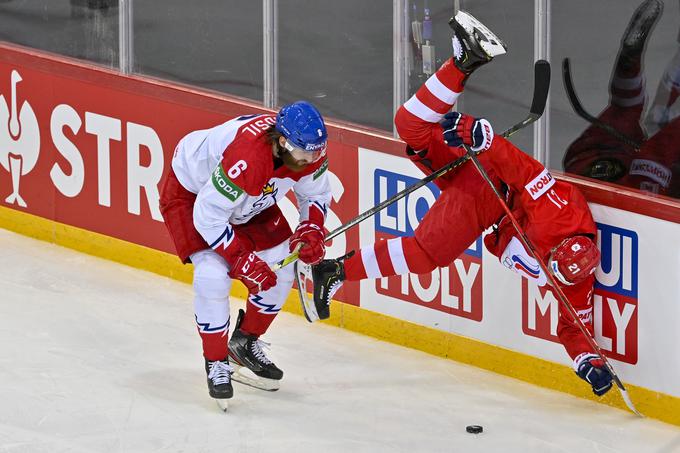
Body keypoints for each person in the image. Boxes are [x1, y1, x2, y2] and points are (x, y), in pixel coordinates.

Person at [311, 11, 613, 397]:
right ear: (555, 250)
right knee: (426, 248)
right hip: (490, 190)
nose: (551, 275)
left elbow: (576, 327)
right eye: (552, 266)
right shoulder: (559, 217)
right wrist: (482, 136)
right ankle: (335, 270)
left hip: (489, 200)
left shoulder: (575, 276)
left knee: (412, 130)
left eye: (556, 275)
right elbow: (523, 170)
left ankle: (465, 59)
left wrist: (588, 363)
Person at [159, 101, 331, 406]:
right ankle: (216, 362)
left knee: (281, 271)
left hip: (249, 200)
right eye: (307, 152)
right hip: (195, 195)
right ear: (282, 142)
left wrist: (311, 228)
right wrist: (240, 259)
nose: (313, 159)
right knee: (213, 275)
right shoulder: (249, 157)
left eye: (317, 151)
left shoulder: (305, 151)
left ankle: (243, 344)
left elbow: (315, 193)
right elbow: (208, 215)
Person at [565, 0, 680, 197]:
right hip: (633, 183)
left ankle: (629, 64)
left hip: (601, 166)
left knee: (625, 114)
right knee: (651, 137)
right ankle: (629, 66)